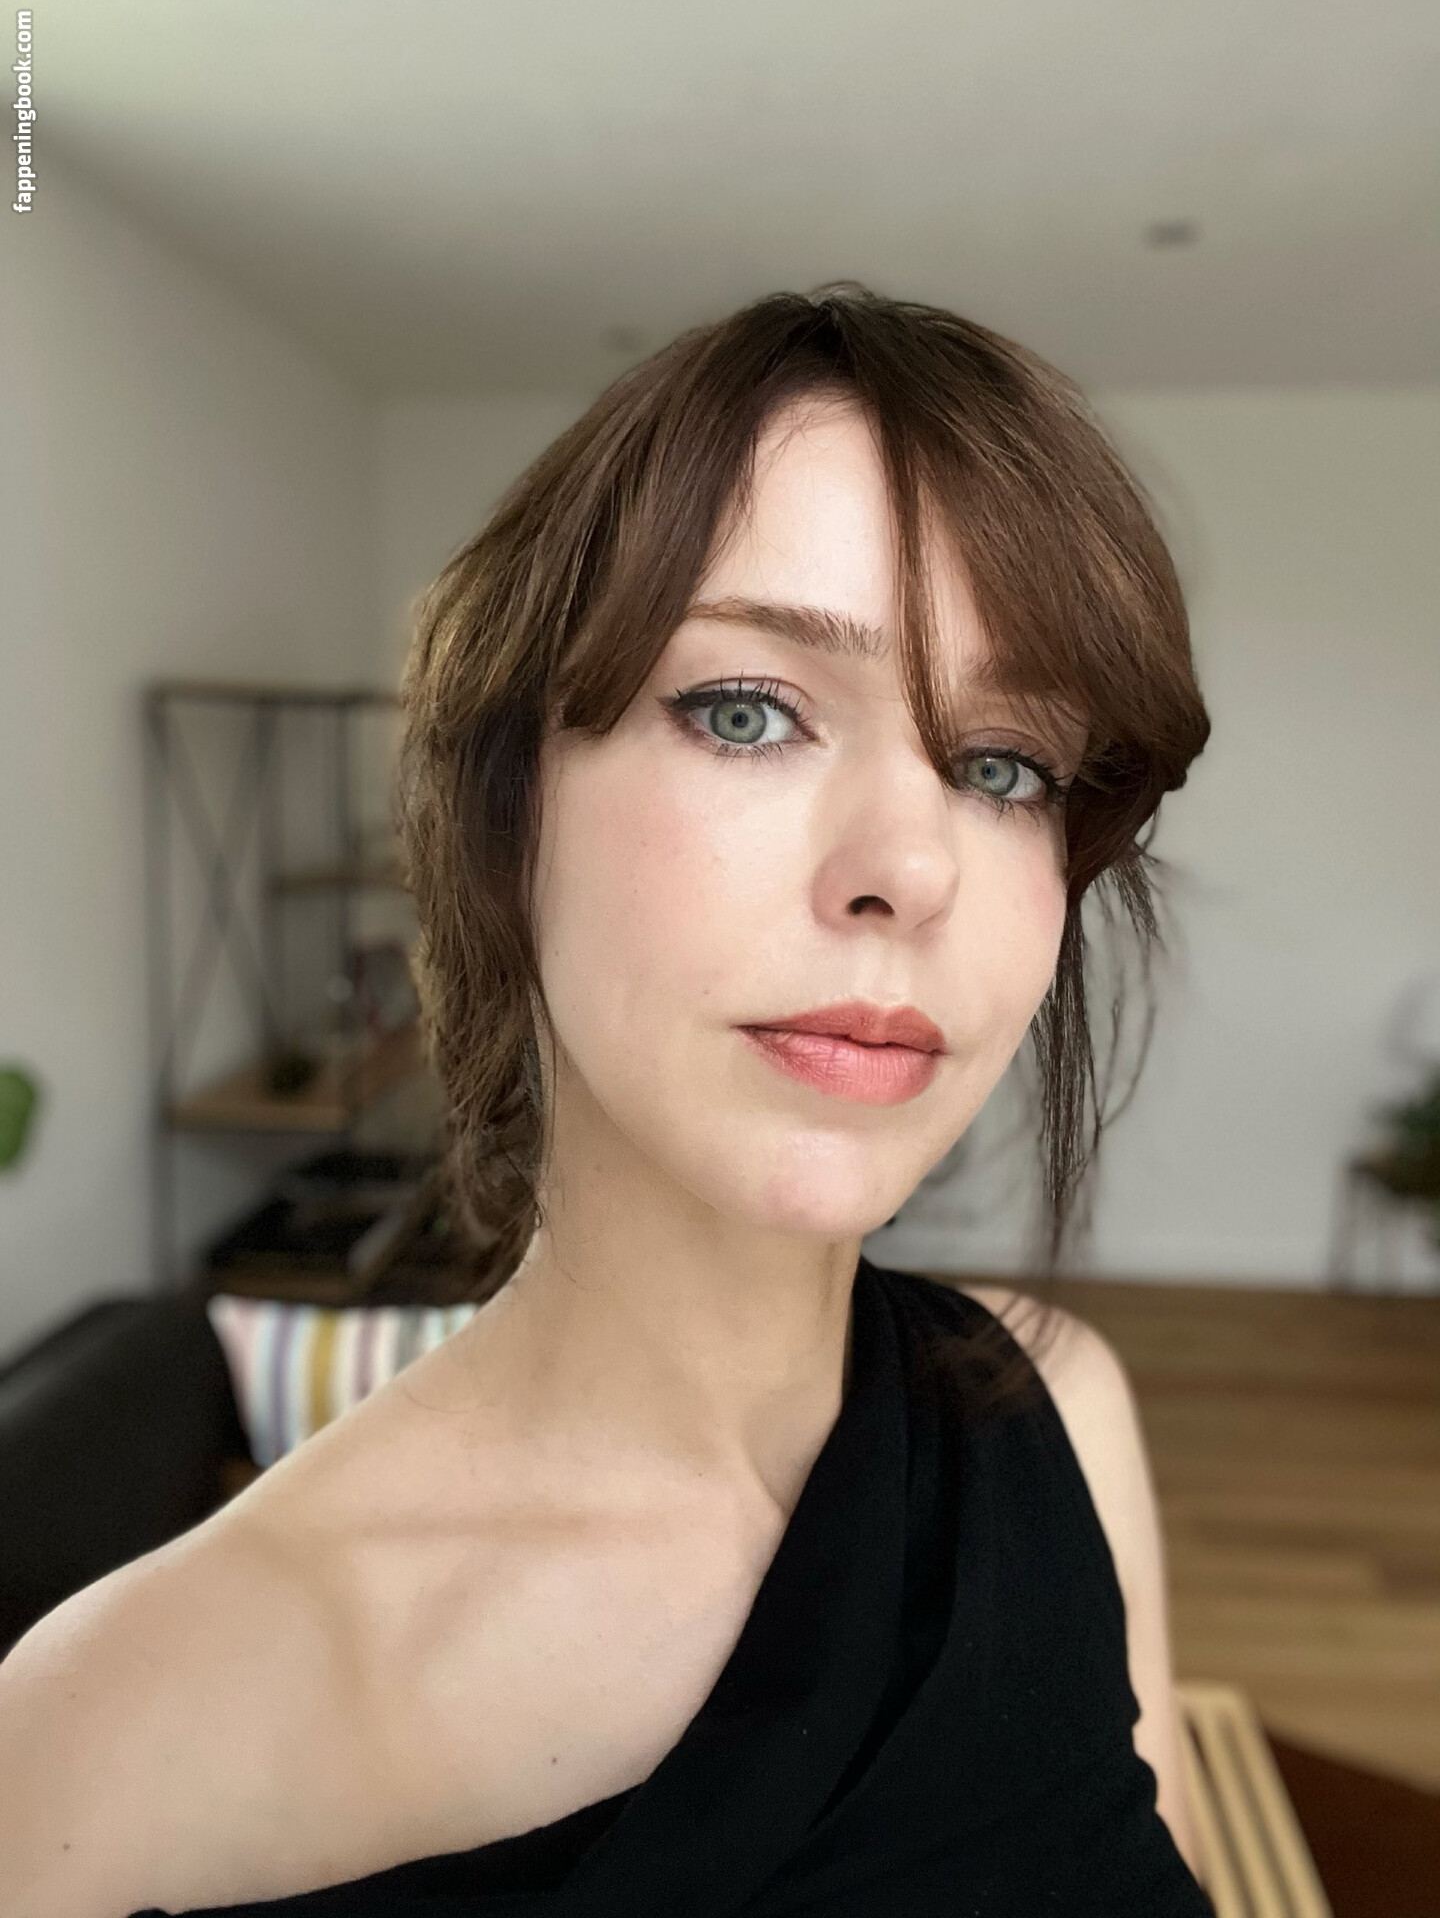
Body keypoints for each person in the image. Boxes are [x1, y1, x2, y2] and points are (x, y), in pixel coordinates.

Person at [0, 284, 1215, 1915]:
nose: (911, 866)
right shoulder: (94, 1751)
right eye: (748, 711)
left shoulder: (1054, 1407)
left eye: (1004, 766)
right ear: (504, 812)